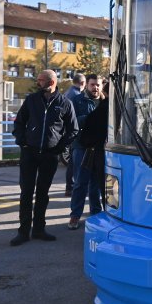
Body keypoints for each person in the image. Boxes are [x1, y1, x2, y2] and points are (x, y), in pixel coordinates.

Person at [10, 70, 78, 246]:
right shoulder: (32, 100)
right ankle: (23, 231)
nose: (38, 83)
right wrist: (21, 141)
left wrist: (59, 147)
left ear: (52, 81)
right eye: (38, 80)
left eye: (41, 80)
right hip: (29, 153)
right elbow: (19, 122)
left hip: (49, 155)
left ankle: (39, 229)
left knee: (42, 193)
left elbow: (73, 129)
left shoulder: (65, 103)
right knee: (26, 192)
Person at [67, 74, 105, 229]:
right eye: (92, 85)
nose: (95, 88)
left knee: (96, 184)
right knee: (80, 183)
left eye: (98, 85)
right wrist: (92, 118)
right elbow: (72, 122)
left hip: (100, 148)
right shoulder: (77, 101)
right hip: (82, 146)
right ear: (86, 85)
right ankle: (75, 216)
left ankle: (95, 215)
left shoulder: (105, 102)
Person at [62, 73, 86, 195]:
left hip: (67, 130)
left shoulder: (68, 92)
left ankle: (69, 187)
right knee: (73, 162)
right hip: (72, 131)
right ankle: (71, 187)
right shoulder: (76, 95)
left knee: (71, 161)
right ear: (82, 83)